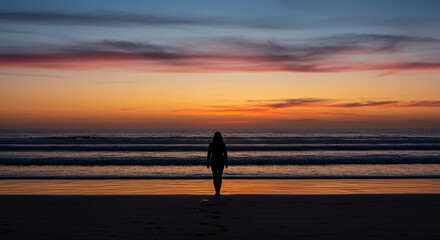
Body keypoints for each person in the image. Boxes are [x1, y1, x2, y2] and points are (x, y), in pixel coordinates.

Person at [207, 132, 228, 196]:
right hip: (220, 160)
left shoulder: (211, 144)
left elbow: (209, 154)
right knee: (219, 176)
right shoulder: (222, 144)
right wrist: (226, 162)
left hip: (213, 160)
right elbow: (225, 154)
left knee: (215, 176)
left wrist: (207, 162)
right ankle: (218, 190)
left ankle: (216, 191)